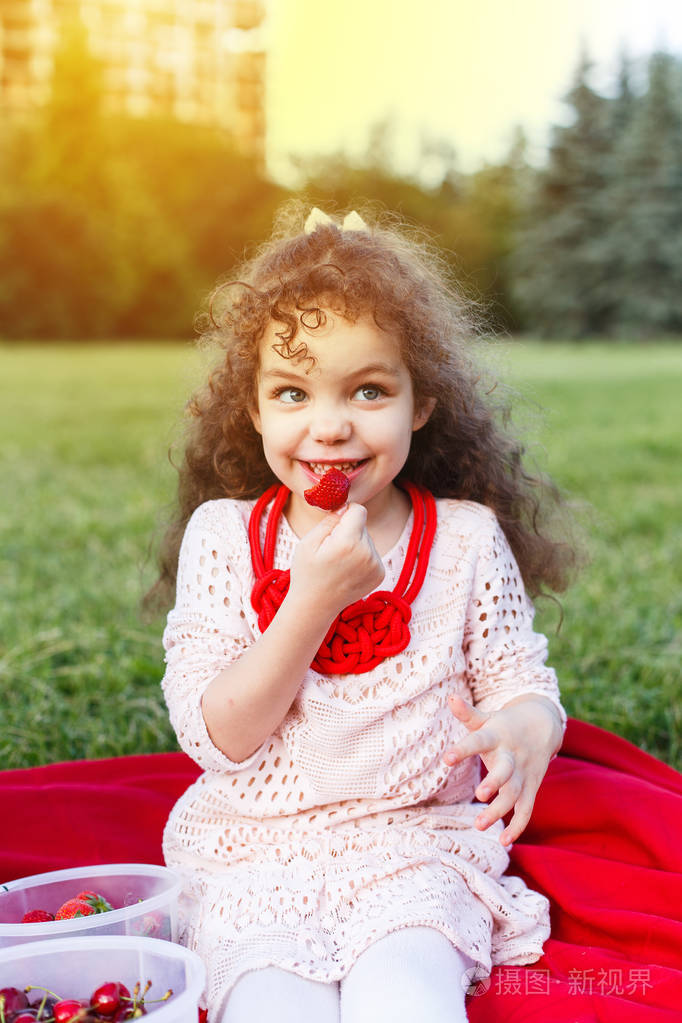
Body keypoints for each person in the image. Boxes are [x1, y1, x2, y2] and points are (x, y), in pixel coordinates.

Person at [148, 204, 576, 1022]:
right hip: (256, 852)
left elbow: (522, 681)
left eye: (369, 390)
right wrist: (310, 600)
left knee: (408, 995)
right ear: (254, 408)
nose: (330, 425)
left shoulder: (464, 540)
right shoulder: (225, 538)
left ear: (421, 402)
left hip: (413, 846)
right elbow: (219, 735)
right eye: (292, 392)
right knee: (272, 1002)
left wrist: (528, 726)